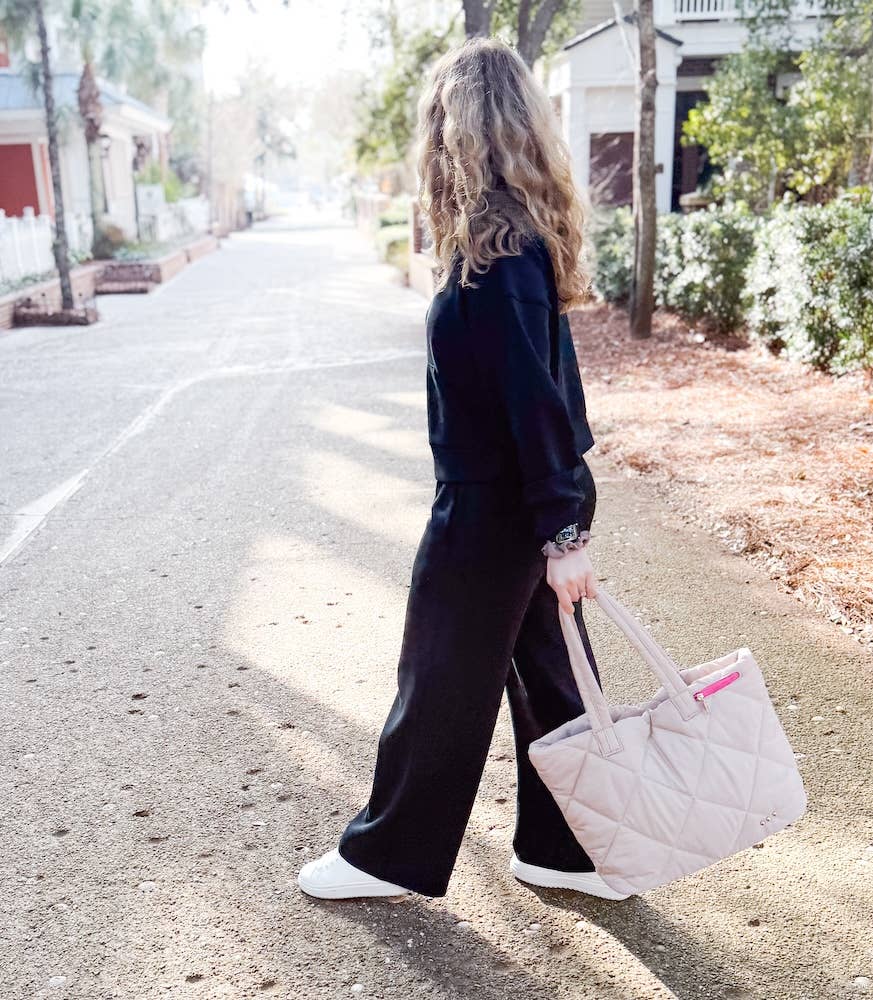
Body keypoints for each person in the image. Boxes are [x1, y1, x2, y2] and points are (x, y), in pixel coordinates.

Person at [297, 36, 627, 902]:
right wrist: (559, 521)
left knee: (440, 676)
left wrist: (564, 534)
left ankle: (386, 857)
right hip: (523, 504)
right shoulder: (509, 241)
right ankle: (567, 851)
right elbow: (538, 391)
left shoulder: (501, 254)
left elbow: (536, 401)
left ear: (458, 129)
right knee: (554, 685)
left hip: (497, 511)